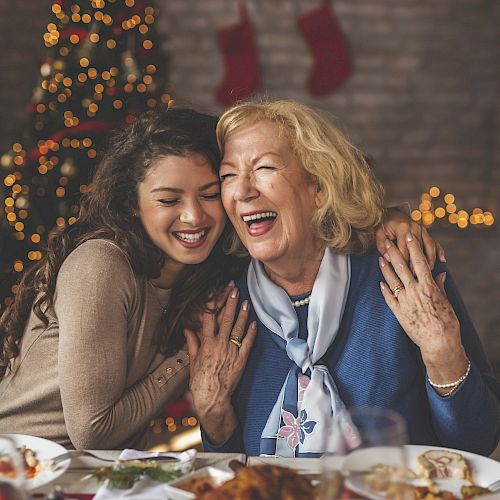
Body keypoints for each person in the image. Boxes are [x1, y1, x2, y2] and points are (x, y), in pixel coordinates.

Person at [0, 106, 440, 450]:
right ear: (132, 205)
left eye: (211, 192)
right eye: (168, 199)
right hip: (22, 465)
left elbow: (322, 213)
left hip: (90, 471)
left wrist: (390, 218)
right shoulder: (102, 263)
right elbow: (93, 431)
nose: (194, 216)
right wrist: (189, 359)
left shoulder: (214, 269)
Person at [187, 100, 500, 458]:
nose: (242, 191)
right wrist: (214, 418)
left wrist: (443, 354)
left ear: (318, 187)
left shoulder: (401, 268)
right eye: (228, 175)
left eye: (265, 168)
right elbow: (228, 470)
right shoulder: (227, 304)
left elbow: (479, 441)